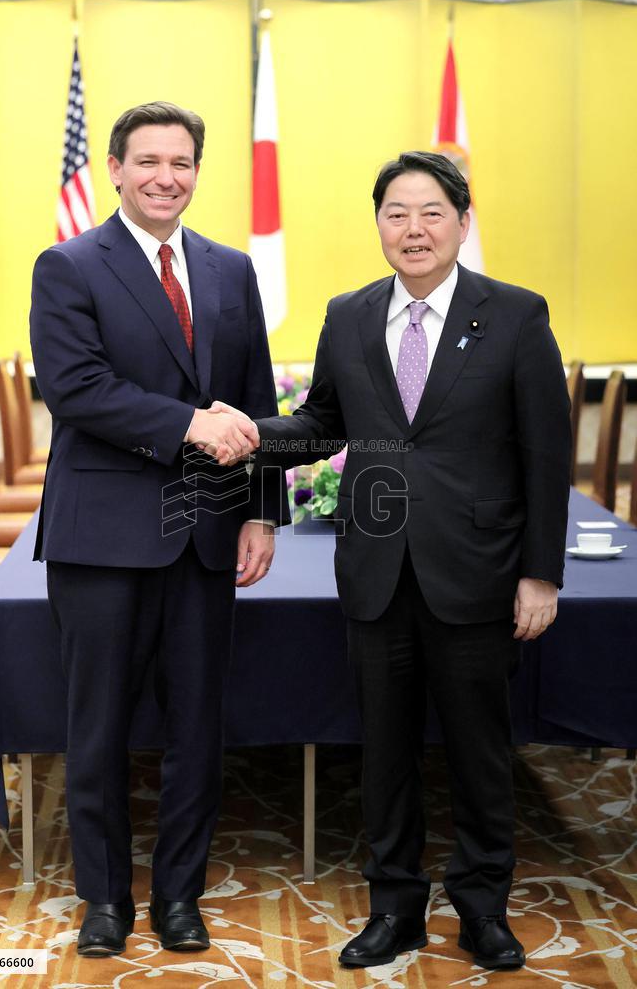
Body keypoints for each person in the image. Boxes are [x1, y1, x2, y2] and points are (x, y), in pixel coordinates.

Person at [213, 151, 571, 970]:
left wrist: (538, 573)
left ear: (462, 222)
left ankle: (482, 908)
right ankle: (393, 908)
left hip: (477, 574)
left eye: (430, 213)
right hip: (376, 574)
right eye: (395, 214)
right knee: (383, 752)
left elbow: (545, 455)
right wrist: (252, 432)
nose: (412, 230)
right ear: (377, 224)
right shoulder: (347, 314)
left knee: (481, 753)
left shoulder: (514, 315)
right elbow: (324, 425)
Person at [30, 101, 289, 958]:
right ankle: (103, 901)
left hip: (208, 535)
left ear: (196, 172)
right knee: (97, 731)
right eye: (147, 161)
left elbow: (256, 401)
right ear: (114, 168)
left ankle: (180, 896)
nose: (164, 177)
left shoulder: (229, 270)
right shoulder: (68, 265)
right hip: (100, 538)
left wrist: (261, 511)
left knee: (196, 731)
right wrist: (188, 425)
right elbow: (75, 388)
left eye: (180, 162)